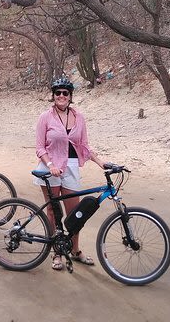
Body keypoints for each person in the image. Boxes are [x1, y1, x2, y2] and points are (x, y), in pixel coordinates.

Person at [34, 76, 106, 270]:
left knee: (75, 214)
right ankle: (56, 252)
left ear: (70, 96)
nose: (61, 96)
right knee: (53, 212)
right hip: (51, 168)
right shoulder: (45, 117)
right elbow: (40, 147)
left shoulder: (79, 117)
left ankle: (75, 250)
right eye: (58, 93)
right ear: (53, 95)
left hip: (71, 167)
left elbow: (83, 145)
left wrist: (101, 162)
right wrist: (50, 165)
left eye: (65, 93)